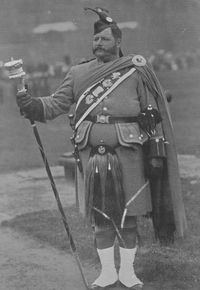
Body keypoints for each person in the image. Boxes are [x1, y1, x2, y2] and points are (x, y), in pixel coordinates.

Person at [16, 7, 187, 290]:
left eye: (104, 40)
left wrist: (156, 151)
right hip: (92, 155)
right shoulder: (77, 72)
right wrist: (31, 104)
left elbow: (152, 113)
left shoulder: (135, 71)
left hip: (130, 153)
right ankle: (108, 273)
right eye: (95, 40)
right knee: (101, 217)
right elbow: (56, 104)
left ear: (118, 42)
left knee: (129, 216)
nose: (98, 44)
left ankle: (128, 273)